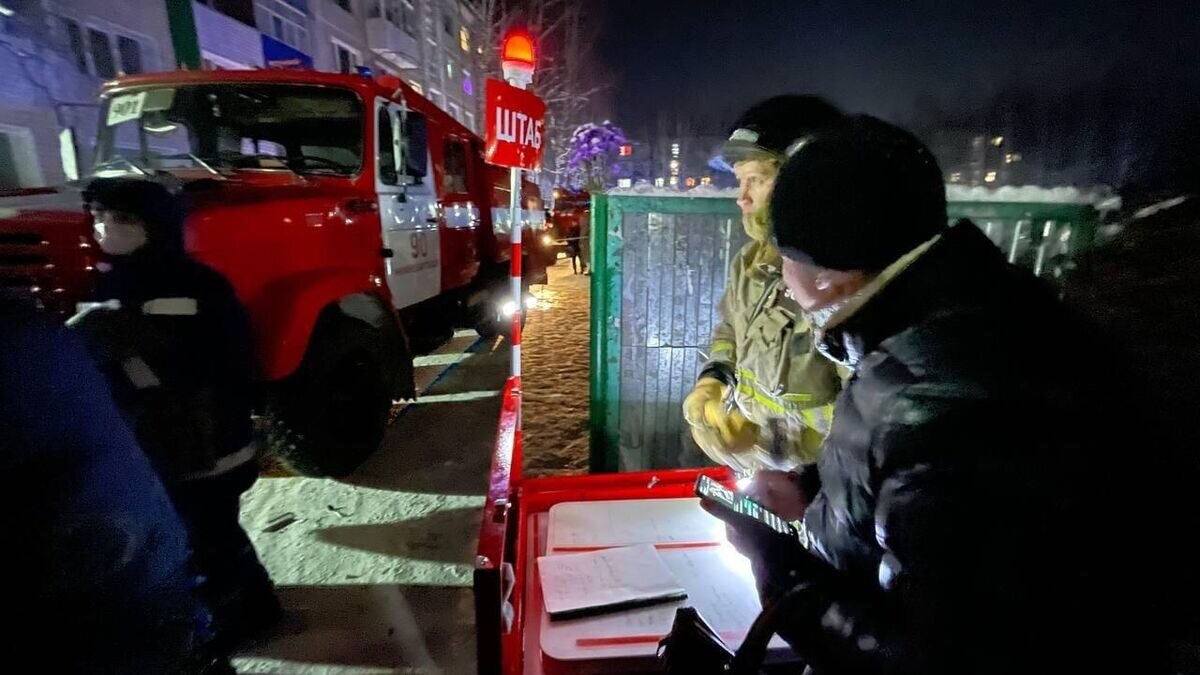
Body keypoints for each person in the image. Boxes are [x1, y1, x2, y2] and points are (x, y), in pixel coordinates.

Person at [728, 116, 1159, 674]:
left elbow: (936, 654)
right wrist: (812, 489)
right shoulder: (975, 318)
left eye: (786, 254)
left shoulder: (936, 402)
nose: (782, 277)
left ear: (827, 271)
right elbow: (925, 508)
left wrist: (785, 577)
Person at [71, 177, 279, 649]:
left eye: (121, 219)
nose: (106, 227)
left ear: (156, 225)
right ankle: (241, 602)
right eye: (101, 216)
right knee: (188, 534)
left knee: (212, 536)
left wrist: (143, 350)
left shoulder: (200, 286)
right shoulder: (103, 283)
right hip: (147, 445)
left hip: (207, 446)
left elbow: (229, 365)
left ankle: (243, 615)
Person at [1, 296, 234, 674]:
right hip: (138, 568)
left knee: (220, 539)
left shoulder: (26, 346)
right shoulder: (37, 335)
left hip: (110, 598)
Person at [683, 96, 845, 474]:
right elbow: (730, 329)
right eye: (740, 181)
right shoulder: (750, 263)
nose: (742, 198)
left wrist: (775, 442)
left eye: (756, 179)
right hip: (761, 475)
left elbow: (870, 418)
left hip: (822, 489)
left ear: (808, 182)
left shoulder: (845, 282)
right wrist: (713, 380)